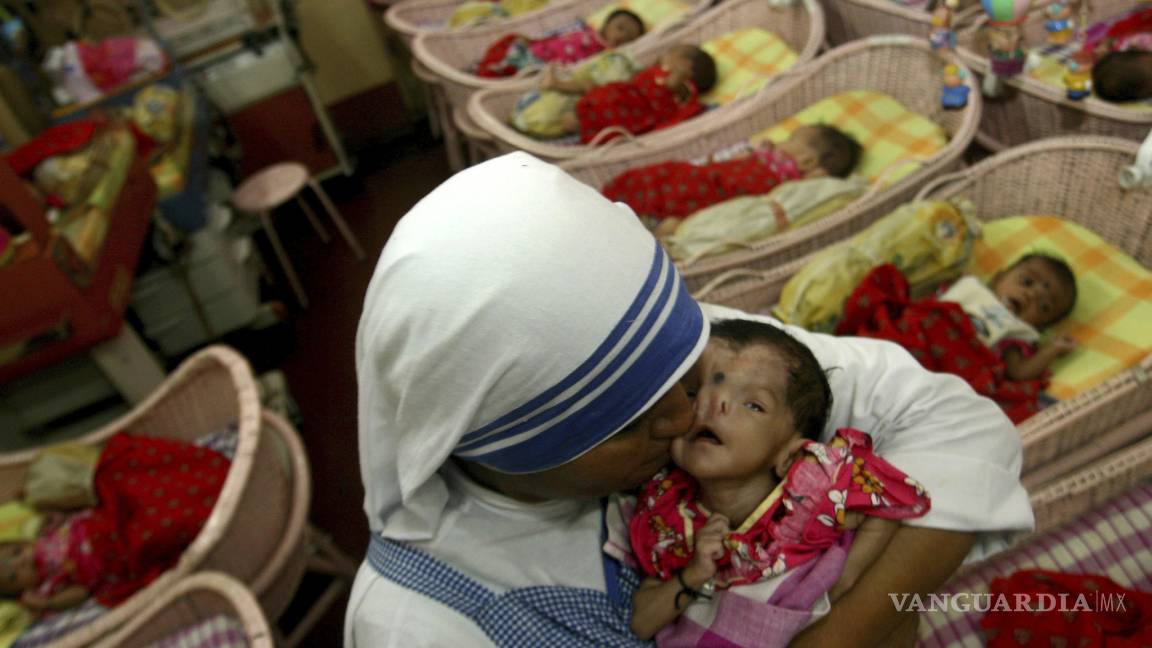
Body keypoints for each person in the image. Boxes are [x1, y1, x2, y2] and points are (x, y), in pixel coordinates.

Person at [345, 152, 1034, 647]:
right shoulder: (428, 622)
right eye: (631, 421)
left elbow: (958, 421)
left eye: (686, 376)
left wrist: (852, 626)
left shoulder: (677, 347)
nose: (686, 414)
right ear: (524, 453)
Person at [612, 319, 932, 646]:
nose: (713, 402)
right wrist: (693, 575)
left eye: (753, 404)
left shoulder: (818, 489)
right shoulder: (666, 518)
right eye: (694, 391)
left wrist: (848, 580)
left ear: (789, 455)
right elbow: (640, 623)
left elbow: (890, 507)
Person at [837, 254, 1078, 423]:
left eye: (1044, 306)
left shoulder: (1014, 335)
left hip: (944, 369)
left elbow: (1019, 372)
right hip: (910, 338)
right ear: (999, 277)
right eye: (1026, 281)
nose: (1030, 295)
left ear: (1040, 326)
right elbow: (922, 306)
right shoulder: (966, 289)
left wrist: (1051, 350)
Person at [601, 125, 862, 227]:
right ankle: (629, 204)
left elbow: (820, 181)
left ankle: (656, 221)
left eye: (793, 139)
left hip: (733, 190)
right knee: (673, 174)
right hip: (712, 175)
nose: (785, 140)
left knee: (695, 203)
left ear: (808, 160)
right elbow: (734, 158)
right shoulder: (767, 150)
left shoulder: (795, 176)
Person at [543, 44, 717, 143]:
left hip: (627, 106)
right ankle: (558, 86)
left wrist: (677, 76)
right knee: (590, 88)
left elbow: (669, 89)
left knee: (591, 104)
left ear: (687, 65)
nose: (666, 54)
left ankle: (572, 117)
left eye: (672, 52)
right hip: (623, 95)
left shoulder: (683, 85)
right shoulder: (660, 72)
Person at [475, 9, 645, 78]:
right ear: (606, 25)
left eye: (629, 36)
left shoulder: (608, 54)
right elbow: (558, 35)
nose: (621, 35)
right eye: (619, 28)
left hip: (552, 65)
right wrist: (533, 41)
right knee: (515, 44)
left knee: (531, 70)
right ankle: (504, 65)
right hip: (542, 49)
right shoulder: (585, 29)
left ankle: (511, 70)